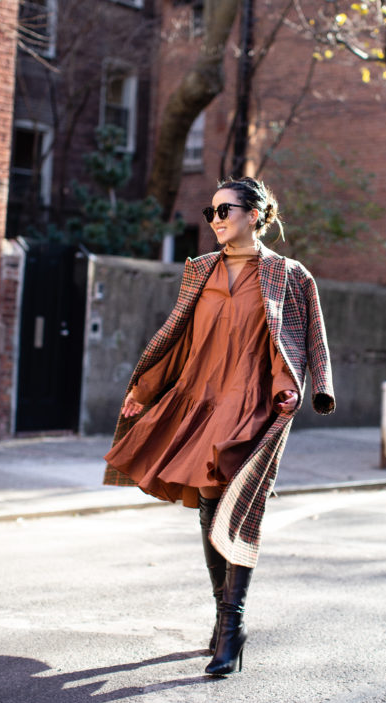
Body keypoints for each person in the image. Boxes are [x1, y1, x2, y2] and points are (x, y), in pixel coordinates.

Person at [104, 176, 335, 675]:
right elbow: (179, 338)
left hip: (252, 402)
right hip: (200, 398)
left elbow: (304, 337)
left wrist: (294, 386)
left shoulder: (288, 275)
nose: (215, 220)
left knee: (242, 507)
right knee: (210, 504)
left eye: (224, 210)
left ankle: (232, 626)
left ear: (254, 215)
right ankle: (224, 619)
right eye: (210, 212)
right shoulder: (200, 270)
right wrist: (144, 391)